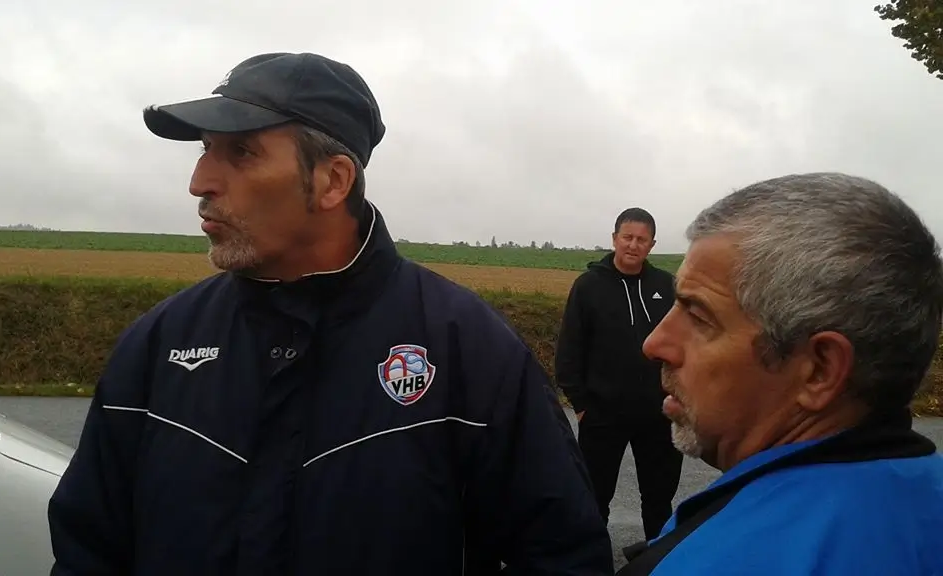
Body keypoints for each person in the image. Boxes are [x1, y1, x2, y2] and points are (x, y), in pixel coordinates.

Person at [46, 51, 614, 575]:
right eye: (205, 150)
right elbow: (87, 552)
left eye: (240, 152)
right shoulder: (159, 343)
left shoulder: (470, 351)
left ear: (332, 181)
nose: (200, 182)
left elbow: (562, 556)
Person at [618, 172, 943, 575]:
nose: (655, 343)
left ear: (819, 370)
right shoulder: (924, 493)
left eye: (699, 316)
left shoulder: (724, 562)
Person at [555, 208, 684, 539]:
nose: (633, 245)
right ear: (614, 239)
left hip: (657, 414)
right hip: (602, 414)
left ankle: (656, 558)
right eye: (627, 237)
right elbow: (569, 348)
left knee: (658, 498)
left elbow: (683, 343)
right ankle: (591, 559)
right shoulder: (588, 286)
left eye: (642, 239)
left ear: (652, 245)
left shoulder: (666, 286)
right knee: (594, 498)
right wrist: (580, 404)